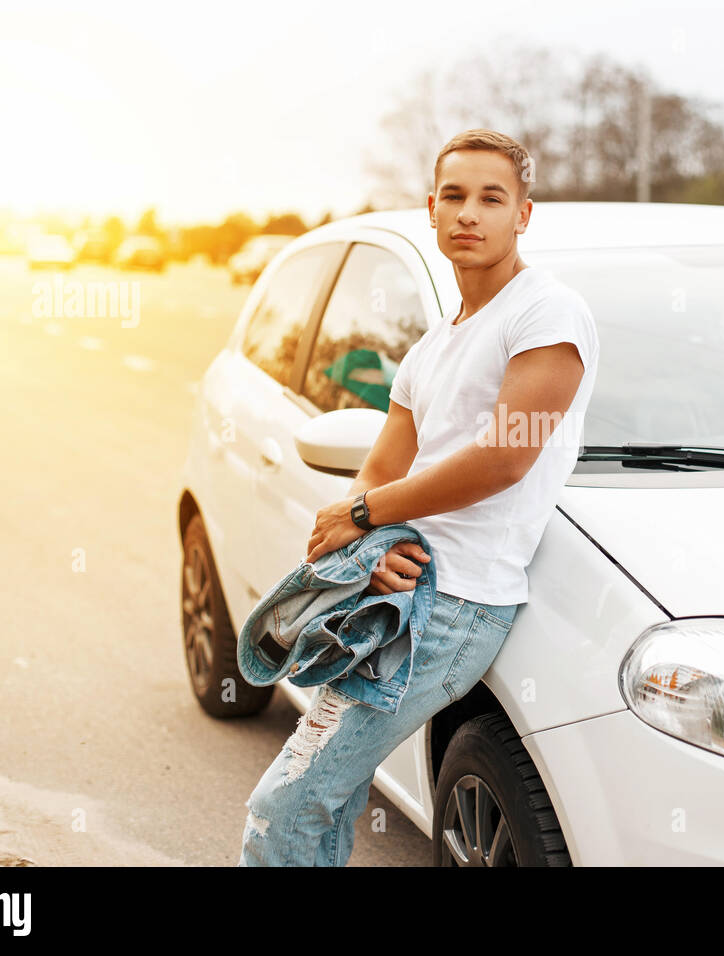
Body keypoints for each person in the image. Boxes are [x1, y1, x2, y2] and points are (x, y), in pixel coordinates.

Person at [238, 128, 600, 866]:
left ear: (523, 214)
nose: (471, 213)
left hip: (455, 605)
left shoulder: (546, 314)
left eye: (492, 198)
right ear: (432, 211)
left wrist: (364, 517)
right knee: (320, 796)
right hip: (398, 594)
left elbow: (504, 457)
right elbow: (380, 469)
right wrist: (374, 546)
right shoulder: (432, 347)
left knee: (287, 802)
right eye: (455, 197)